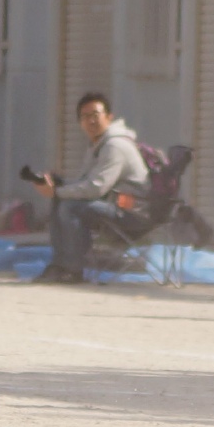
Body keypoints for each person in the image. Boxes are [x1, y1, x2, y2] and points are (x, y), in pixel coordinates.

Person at [30, 92, 151, 283]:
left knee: (70, 207)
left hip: (133, 212)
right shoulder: (98, 144)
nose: (91, 121)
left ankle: (73, 269)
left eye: (95, 115)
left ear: (109, 117)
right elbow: (86, 182)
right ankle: (60, 265)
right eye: (85, 117)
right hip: (115, 205)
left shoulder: (115, 145)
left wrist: (57, 191)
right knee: (61, 200)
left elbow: (96, 188)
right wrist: (59, 184)